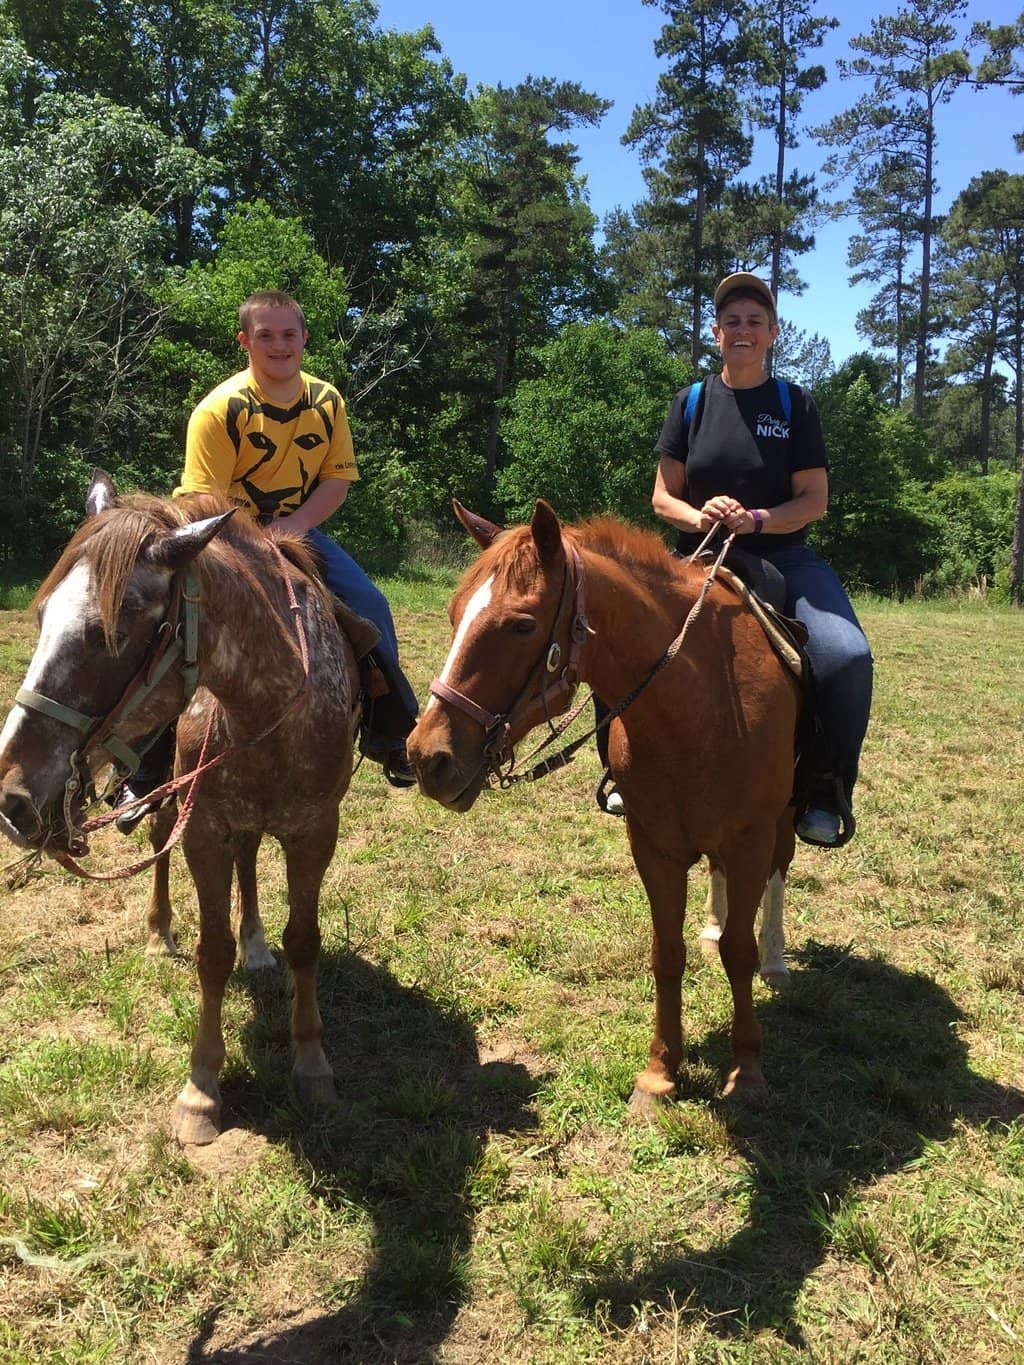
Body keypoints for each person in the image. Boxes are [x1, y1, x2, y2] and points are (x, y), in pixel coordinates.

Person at [115, 289, 417, 830]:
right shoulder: (220, 409)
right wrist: (255, 542)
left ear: (304, 338)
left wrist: (291, 530)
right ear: (245, 341)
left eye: (288, 334)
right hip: (221, 534)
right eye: (265, 335)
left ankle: (392, 733)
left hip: (296, 530)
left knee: (370, 604)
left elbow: (336, 480)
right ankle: (143, 773)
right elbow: (201, 500)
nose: (279, 345)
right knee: (171, 630)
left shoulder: (326, 401)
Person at [646, 271, 873, 846]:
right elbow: (662, 497)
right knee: (616, 624)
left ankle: (823, 788)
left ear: (773, 332)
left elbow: (813, 500)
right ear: (715, 333)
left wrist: (758, 519)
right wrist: (701, 516)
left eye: (754, 321)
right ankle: (622, 769)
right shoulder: (690, 403)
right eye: (731, 321)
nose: (741, 329)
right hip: (697, 556)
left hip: (784, 557)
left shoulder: (796, 405)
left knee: (846, 656)